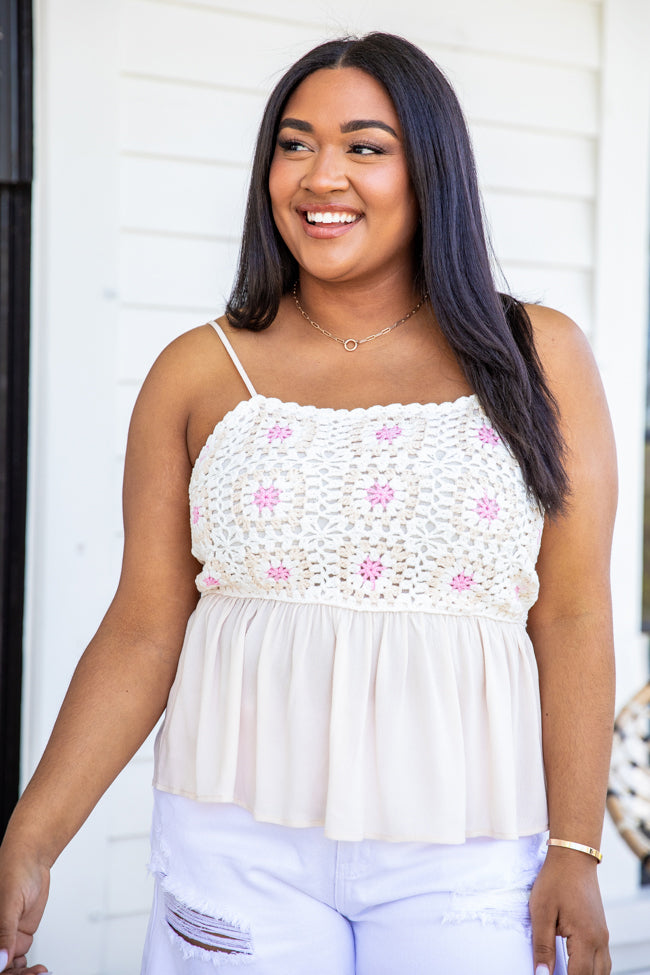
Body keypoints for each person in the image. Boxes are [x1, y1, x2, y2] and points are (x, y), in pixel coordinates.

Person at [0, 31, 616, 975]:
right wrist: (33, 836)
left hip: (467, 849)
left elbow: (571, 610)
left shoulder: (539, 354)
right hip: (236, 841)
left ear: (431, 170)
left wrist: (576, 847)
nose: (322, 175)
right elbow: (142, 627)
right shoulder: (200, 370)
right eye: (295, 144)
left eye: (366, 146)